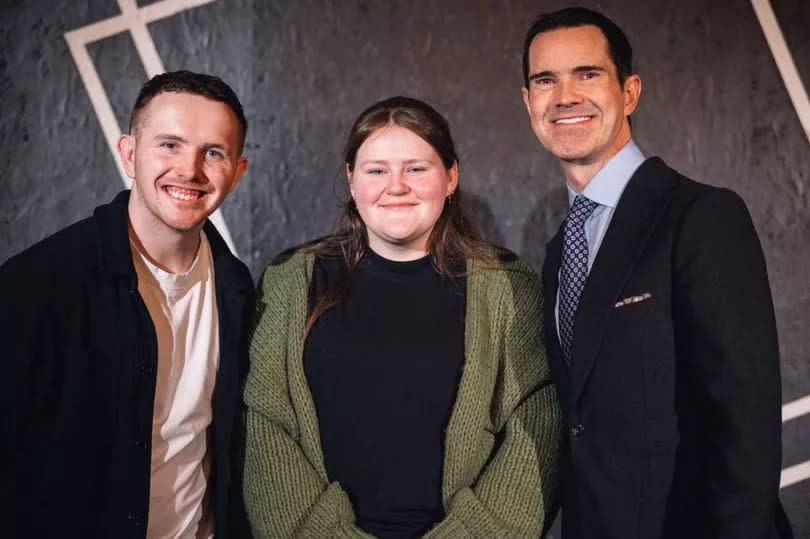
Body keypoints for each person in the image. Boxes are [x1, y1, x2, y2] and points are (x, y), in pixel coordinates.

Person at [520, 7, 792, 539]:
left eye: (588, 74)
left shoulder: (701, 216)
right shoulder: (559, 253)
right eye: (545, 80)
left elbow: (745, 428)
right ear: (528, 102)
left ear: (630, 92)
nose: (566, 95)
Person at [243, 96, 560, 538]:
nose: (396, 186)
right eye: (376, 170)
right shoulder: (290, 281)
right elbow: (266, 424)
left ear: (450, 178)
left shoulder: (507, 285)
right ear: (352, 180)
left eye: (416, 168)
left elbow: (535, 430)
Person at [1, 70, 254, 538]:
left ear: (236, 173)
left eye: (213, 152)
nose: (190, 170)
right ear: (130, 154)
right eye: (170, 145)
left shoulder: (237, 289)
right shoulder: (35, 286)